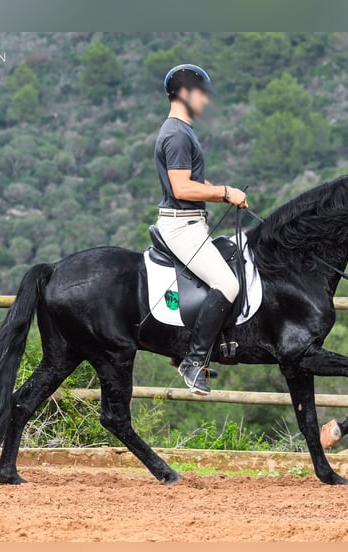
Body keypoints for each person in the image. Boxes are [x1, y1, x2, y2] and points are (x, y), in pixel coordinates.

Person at [154, 64, 247, 396]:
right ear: (184, 93)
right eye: (201, 93)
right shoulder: (178, 133)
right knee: (228, 283)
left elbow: (190, 182)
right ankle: (192, 362)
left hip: (192, 221)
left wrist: (212, 189)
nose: (205, 100)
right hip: (182, 226)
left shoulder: (181, 130)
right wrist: (224, 192)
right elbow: (180, 188)